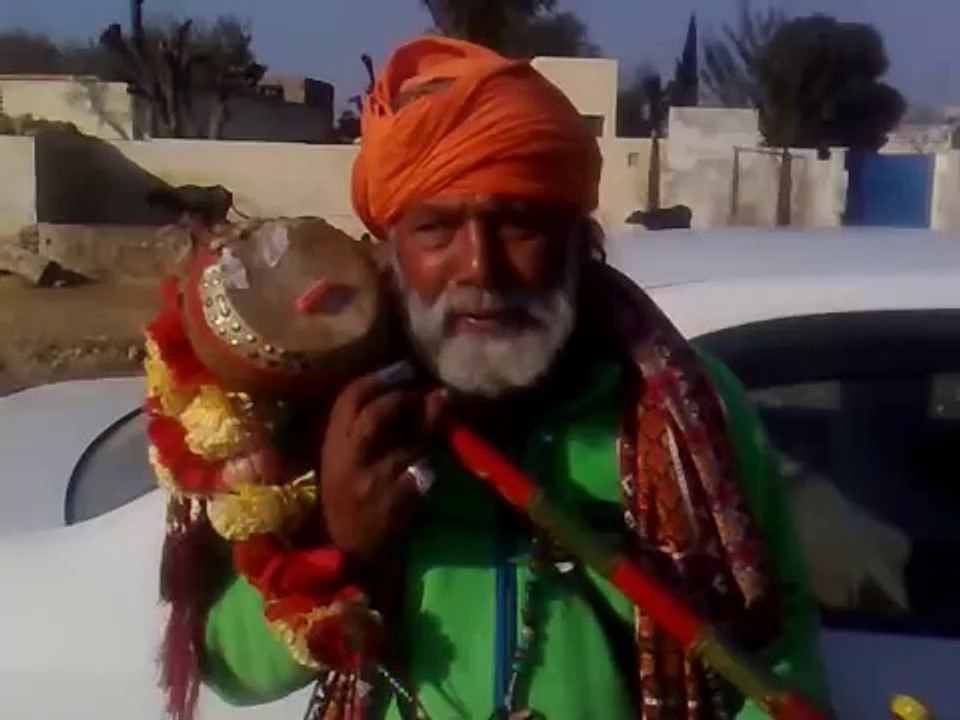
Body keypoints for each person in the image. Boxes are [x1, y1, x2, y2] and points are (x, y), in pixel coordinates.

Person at [185, 36, 829, 719]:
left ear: (579, 238)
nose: (480, 269)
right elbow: (228, 666)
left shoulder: (685, 415)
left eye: (519, 224)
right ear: (391, 249)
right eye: (437, 230)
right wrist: (342, 551)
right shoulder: (329, 415)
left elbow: (776, 657)